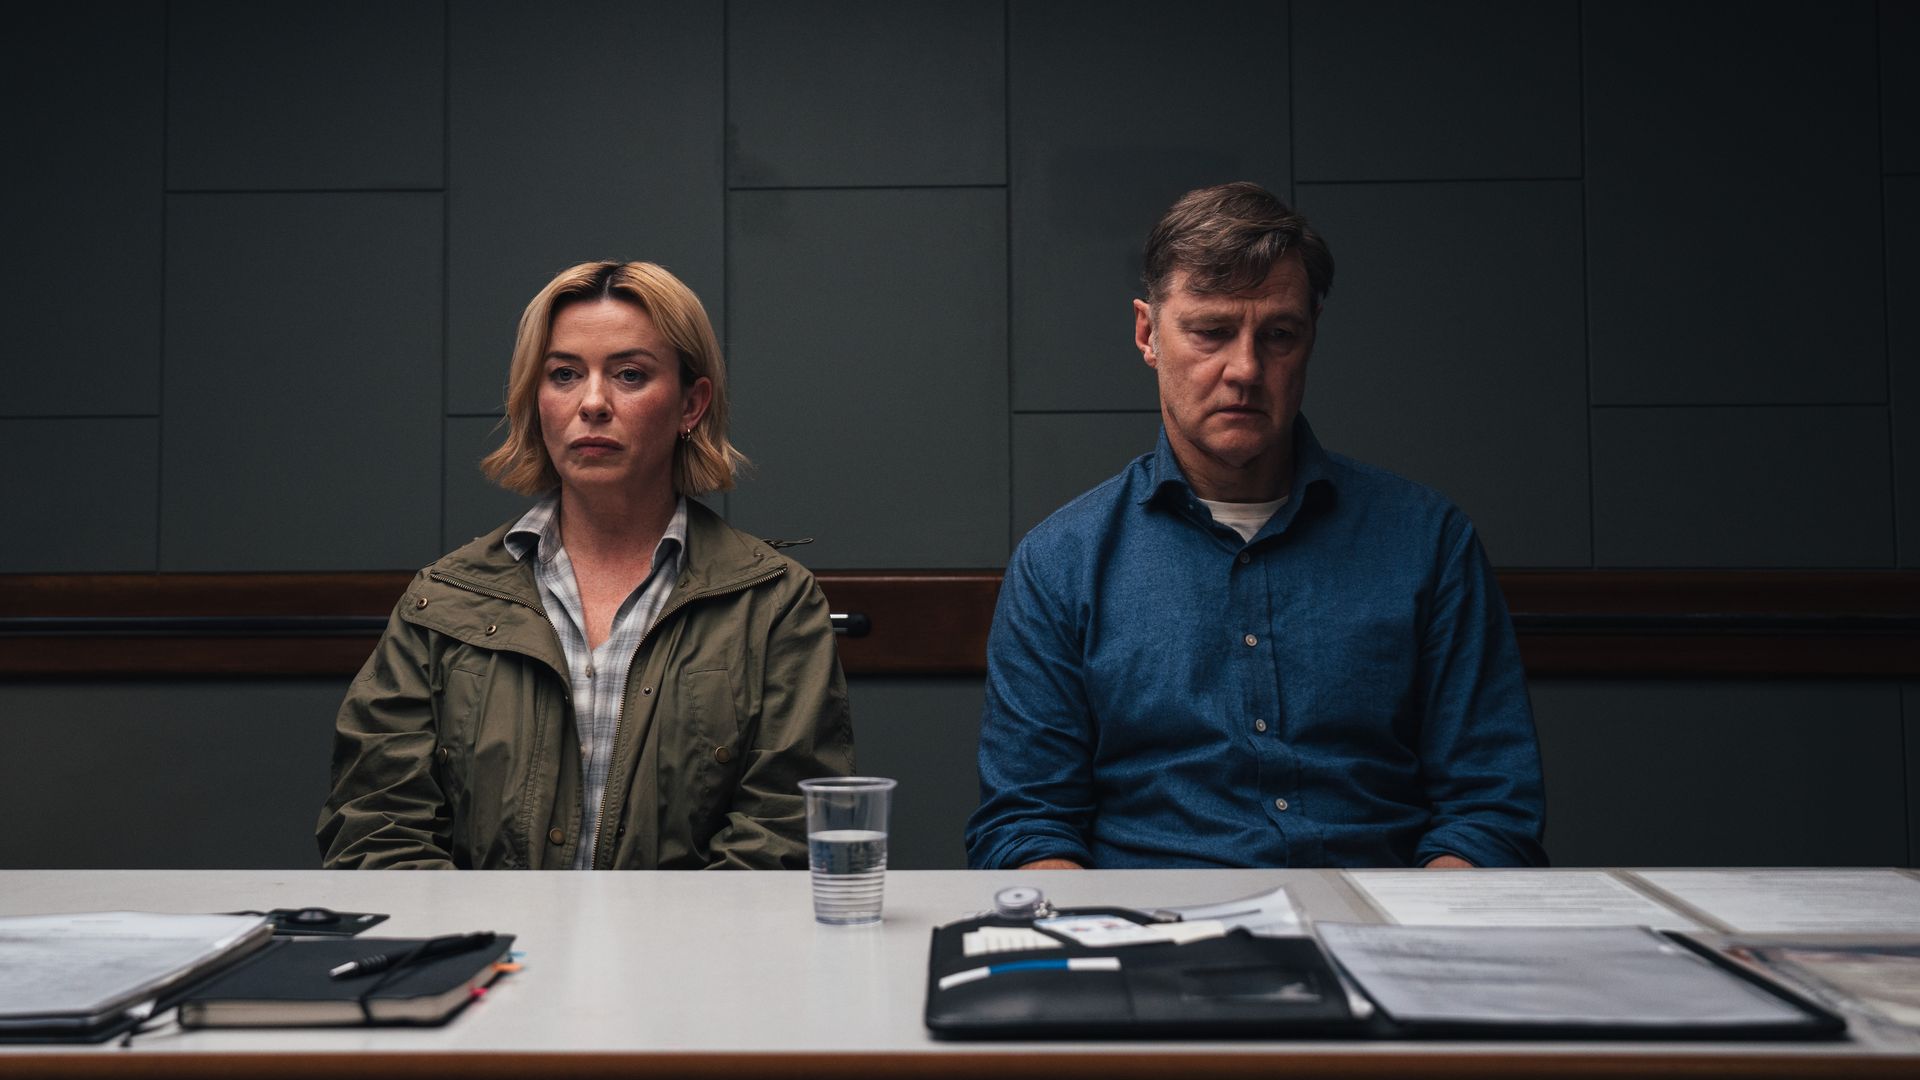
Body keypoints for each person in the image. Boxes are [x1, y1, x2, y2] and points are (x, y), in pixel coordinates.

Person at [965, 183, 1545, 871]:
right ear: (1148, 334)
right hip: (1149, 942)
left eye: (1278, 335)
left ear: (1311, 336)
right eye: (1210, 331)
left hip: (1377, 934)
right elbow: (1027, 825)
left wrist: (1409, 947)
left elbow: (1489, 811)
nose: (1244, 369)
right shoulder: (1060, 563)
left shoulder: (1429, 543)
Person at [319, 261, 853, 870]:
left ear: (690, 404)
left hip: (692, 960)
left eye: (629, 375)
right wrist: (490, 955)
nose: (592, 402)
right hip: (489, 960)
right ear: (535, 400)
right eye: (565, 375)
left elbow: (782, 833)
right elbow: (377, 826)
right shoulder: (441, 601)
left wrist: (663, 960)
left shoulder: (774, 604)